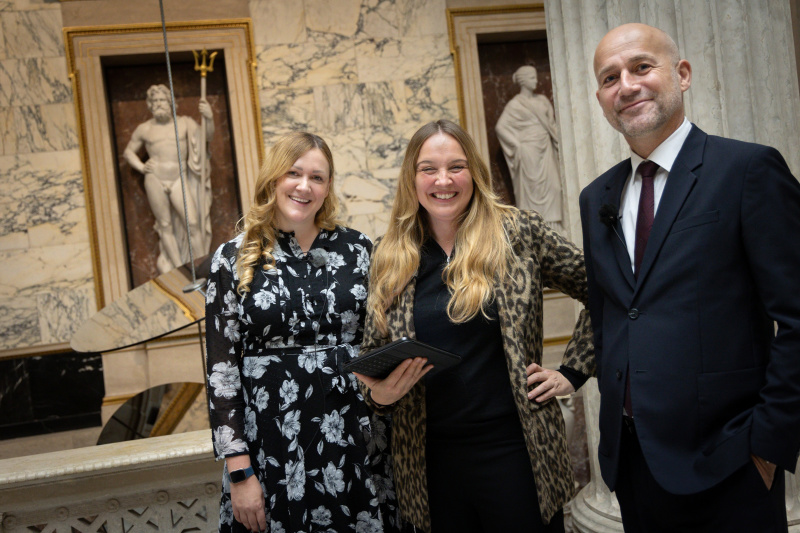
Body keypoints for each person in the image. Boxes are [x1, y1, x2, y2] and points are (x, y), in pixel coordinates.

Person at [580, 22, 800, 531]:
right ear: (600, 98)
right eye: (610, 78)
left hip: (731, 462)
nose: (626, 86)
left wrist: (767, 444)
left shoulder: (747, 170)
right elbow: (611, 315)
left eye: (641, 67)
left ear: (681, 74)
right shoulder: (598, 198)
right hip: (634, 464)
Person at [353, 119, 594, 532]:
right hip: (428, 462)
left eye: (456, 167)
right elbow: (373, 357)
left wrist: (572, 372)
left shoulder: (518, 233)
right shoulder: (389, 255)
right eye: (428, 169)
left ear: (474, 174)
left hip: (517, 450)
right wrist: (379, 394)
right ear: (412, 178)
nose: (442, 180)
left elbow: (603, 289)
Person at [204, 132, 401, 533]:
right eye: (293, 173)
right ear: (273, 179)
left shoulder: (359, 249)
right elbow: (221, 372)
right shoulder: (232, 258)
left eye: (317, 177)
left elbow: (380, 341)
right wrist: (240, 473)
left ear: (328, 188)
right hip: (271, 443)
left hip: (355, 437)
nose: (304, 186)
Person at [124, 84, 214, 274]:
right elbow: (129, 152)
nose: (159, 104)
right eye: (155, 101)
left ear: (170, 102)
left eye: (162, 100)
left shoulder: (185, 123)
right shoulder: (145, 129)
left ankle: (203, 264)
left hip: (178, 178)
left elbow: (208, 136)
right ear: (150, 104)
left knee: (193, 223)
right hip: (154, 178)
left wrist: (209, 117)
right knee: (164, 225)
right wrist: (141, 167)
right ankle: (179, 269)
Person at [496, 66, 563, 231]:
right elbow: (500, 127)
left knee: (554, 188)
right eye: (532, 78)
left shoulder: (542, 101)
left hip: (546, 148)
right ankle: (535, 232)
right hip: (529, 152)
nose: (536, 81)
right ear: (523, 81)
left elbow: (552, 125)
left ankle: (556, 232)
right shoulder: (515, 105)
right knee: (533, 191)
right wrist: (517, 144)